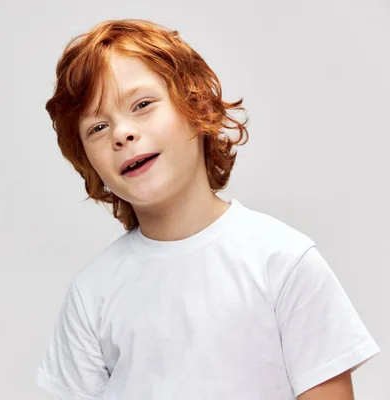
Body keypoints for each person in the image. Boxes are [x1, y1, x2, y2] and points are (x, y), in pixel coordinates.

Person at [35, 19, 380, 399]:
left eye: (143, 105)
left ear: (195, 104)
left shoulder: (283, 262)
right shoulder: (92, 294)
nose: (122, 133)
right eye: (97, 128)